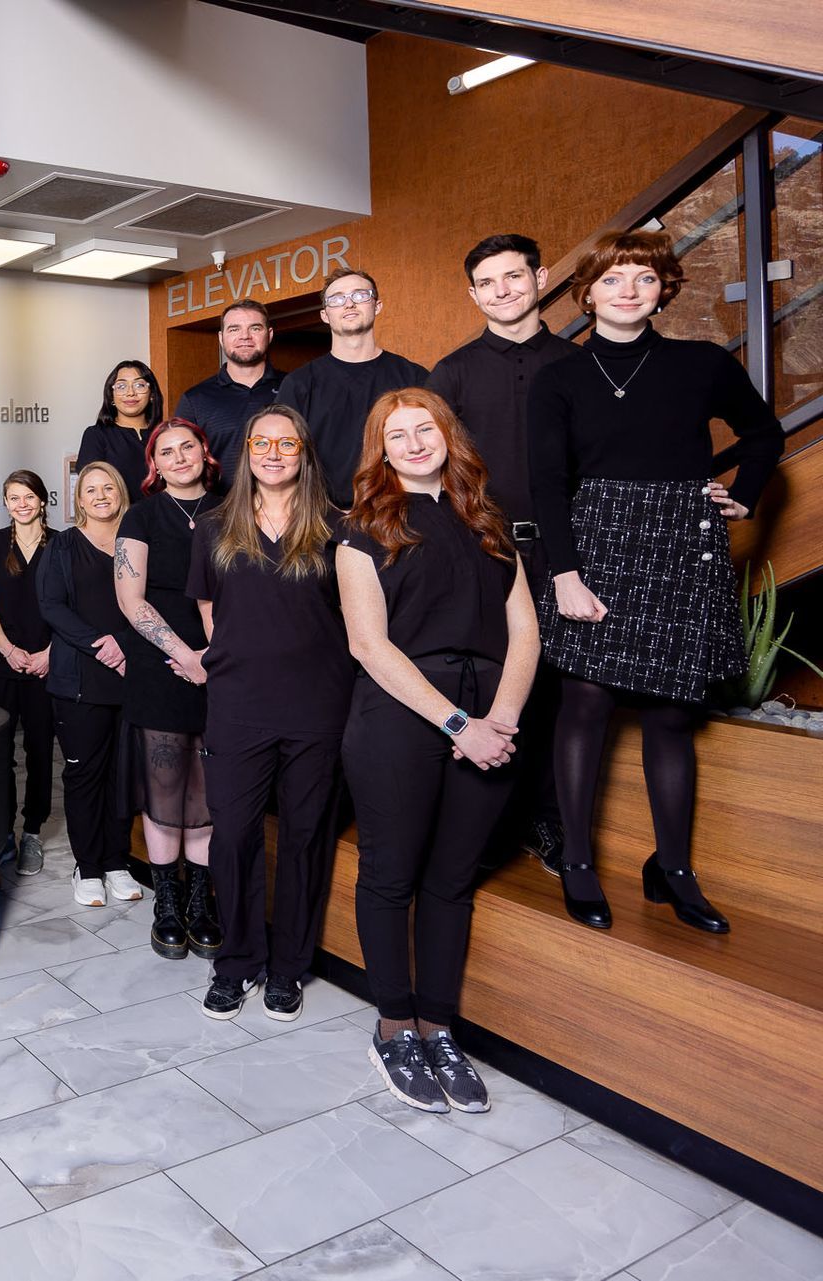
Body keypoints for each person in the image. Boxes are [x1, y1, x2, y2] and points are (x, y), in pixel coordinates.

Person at [529, 230, 783, 934]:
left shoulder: (701, 363)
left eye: (643, 278)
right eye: (613, 280)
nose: (628, 291)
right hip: (596, 541)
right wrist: (566, 575)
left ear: (664, 287)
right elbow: (548, 483)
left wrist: (746, 493)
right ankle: (577, 861)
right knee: (585, 700)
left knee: (672, 713)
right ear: (588, 293)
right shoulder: (559, 376)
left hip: (679, 540)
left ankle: (672, 869)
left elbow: (764, 433)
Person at [338, 389, 540, 1114]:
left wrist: (503, 717)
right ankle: (394, 1026)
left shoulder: (489, 519)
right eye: (399, 434)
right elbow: (368, 644)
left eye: (426, 428)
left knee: (452, 882)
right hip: (401, 718)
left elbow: (526, 630)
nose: (416, 442)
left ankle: (438, 1026)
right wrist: (461, 725)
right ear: (381, 450)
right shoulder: (363, 528)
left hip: (491, 719)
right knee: (391, 876)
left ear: (449, 435)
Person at [188, 406, 353, 1023]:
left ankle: (288, 969)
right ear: (247, 450)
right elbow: (210, 613)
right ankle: (236, 963)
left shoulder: (338, 527)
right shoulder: (212, 529)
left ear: (305, 454)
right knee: (232, 836)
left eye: (288, 443)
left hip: (318, 706)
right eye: (263, 441)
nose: (275, 452)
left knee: (307, 836)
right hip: (238, 706)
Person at [427, 234, 574, 872]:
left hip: (568, 554)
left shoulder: (577, 363)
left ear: (540, 277)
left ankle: (547, 820)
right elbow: (431, 467)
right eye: (488, 283)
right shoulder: (451, 373)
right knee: (488, 682)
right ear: (473, 294)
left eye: (513, 277)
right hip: (484, 554)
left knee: (559, 691)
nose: (503, 291)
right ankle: (483, 825)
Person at [115, 420, 222, 958]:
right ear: (154, 463)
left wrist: (217, 657)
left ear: (205, 452)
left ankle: (202, 902)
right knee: (165, 787)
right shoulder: (142, 514)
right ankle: (167, 903)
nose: (179, 458)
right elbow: (131, 600)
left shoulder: (234, 508)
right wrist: (183, 654)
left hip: (225, 661)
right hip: (161, 664)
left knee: (204, 792)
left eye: (188, 447)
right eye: (167, 451)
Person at [40, 462, 139, 907]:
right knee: (85, 775)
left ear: (120, 492)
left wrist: (124, 643)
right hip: (80, 678)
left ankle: (118, 862)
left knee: (124, 777)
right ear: (79, 500)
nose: (100, 495)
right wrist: (103, 646)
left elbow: (154, 601)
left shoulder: (139, 540)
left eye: (108, 487)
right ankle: (89, 867)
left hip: (134, 673)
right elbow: (52, 606)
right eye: (90, 490)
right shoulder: (63, 545)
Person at [275, 268, 430, 508]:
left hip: (399, 512)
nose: (349, 304)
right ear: (325, 315)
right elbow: (284, 455)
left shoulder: (414, 376)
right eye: (337, 299)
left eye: (360, 296)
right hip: (324, 518)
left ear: (377, 306)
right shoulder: (299, 384)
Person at [0, 470, 54, 876]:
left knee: (40, 751)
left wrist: (50, 653)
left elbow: (73, 606)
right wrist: (7, 650)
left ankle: (32, 832)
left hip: (46, 665)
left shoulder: (61, 545)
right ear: (5, 503)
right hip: (0, 664)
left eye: (27, 496)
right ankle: (1, 833)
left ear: (42, 499)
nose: (21, 504)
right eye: (12, 498)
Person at [177, 301, 285, 466]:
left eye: (255, 328)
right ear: (221, 338)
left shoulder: (294, 387)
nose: (245, 336)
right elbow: (183, 462)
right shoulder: (195, 400)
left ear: (269, 335)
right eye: (234, 329)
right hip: (221, 493)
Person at [76, 359, 165, 484]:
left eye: (139, 385)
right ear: (111, 396)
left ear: (152, 394)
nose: (130, 393)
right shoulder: (96, 435)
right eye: (121, 386)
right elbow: (91, 485)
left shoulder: (164, 435)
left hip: (162, 504)